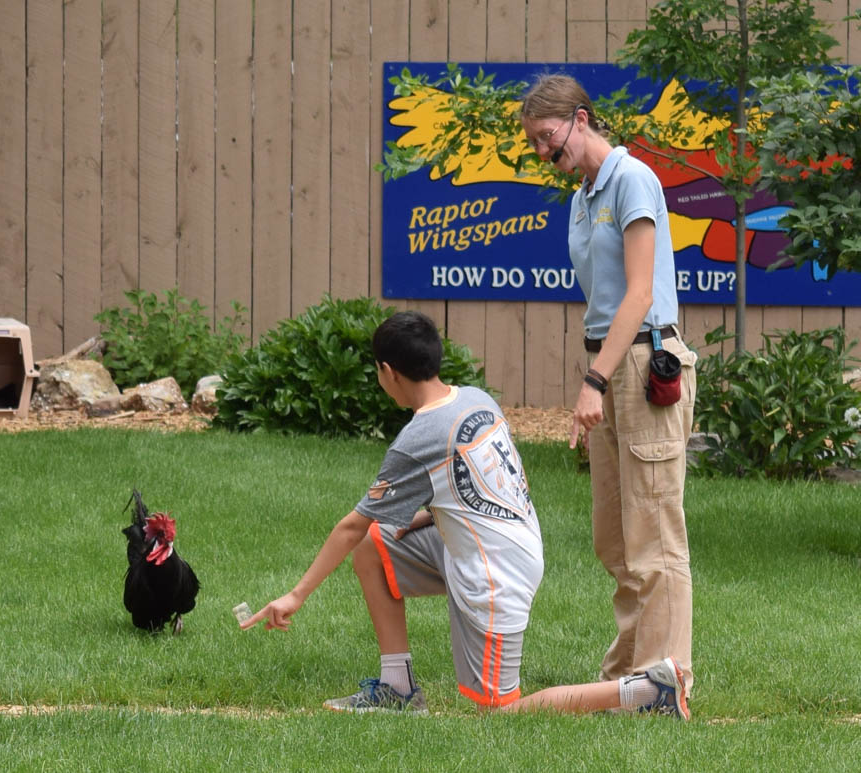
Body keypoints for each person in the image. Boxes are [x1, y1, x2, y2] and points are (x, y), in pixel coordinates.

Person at [241, 310, 689, 719]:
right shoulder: (475, 398)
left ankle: (649, 690)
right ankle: (397, 690)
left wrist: (295, 596)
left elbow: (350, 524)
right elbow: (484, 485)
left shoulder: (419, 437)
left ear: (387, 372)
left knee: (500, 712)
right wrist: (426, 519)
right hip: (509, 547)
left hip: (497, 578)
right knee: (373, 546)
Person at [519, 74, 698, 688]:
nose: (544, 152)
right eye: (536, 143)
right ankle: (628, 671)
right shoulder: (583, 195)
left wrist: (594, 380)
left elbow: (641, 292)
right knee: (615, 537)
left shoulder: (631, 179)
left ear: (582, 117)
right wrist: (597, 371)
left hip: (646, 365)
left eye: (547, 136)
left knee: (653, 531)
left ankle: (664, 677)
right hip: (609, 361)